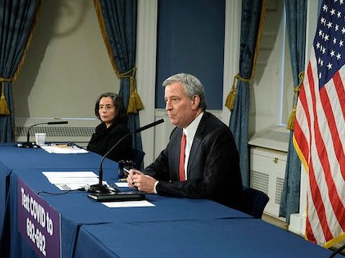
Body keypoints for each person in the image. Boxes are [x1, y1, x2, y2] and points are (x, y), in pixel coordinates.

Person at [126, 73, 244, 211]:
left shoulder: (217, 135)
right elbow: (161, 166)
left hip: (217, 213)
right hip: (186, 206)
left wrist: (156, 186)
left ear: (194, 101)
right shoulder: (178, 132)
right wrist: (141, 177)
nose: (167, 107)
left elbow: (209, 188)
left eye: (174, 100)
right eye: (166, 100)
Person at [86, 92, 131, 162]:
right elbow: (89, 149)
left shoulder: (121, 131)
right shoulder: (100, 128)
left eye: (108, 107)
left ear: (118, 110)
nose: (104, 111)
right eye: (101, 107)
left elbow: (109, 159)